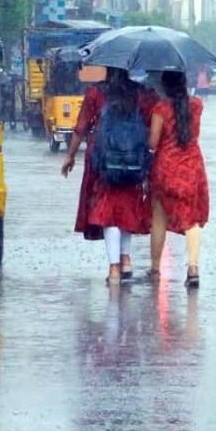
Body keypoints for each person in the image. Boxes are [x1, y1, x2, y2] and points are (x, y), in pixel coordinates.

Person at [61, 68, 158, 284]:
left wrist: (70, 155)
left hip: (104, 160)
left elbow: (81, 128)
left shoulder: (95, 93)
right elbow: (154, 123)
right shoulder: (141, 93)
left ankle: (114, 269)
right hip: (133, 159)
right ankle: (125, 260)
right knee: (126, 208)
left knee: (108, 212)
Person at [148, 71, 210, 287]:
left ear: (165, 86)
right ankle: (193, 269)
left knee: (159, 218)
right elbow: (194, 134)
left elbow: (153, 143)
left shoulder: (161, 109)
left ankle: (155, 268)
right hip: (192, 167)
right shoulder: (197, 105)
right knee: (191, 220)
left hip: (166, 168)